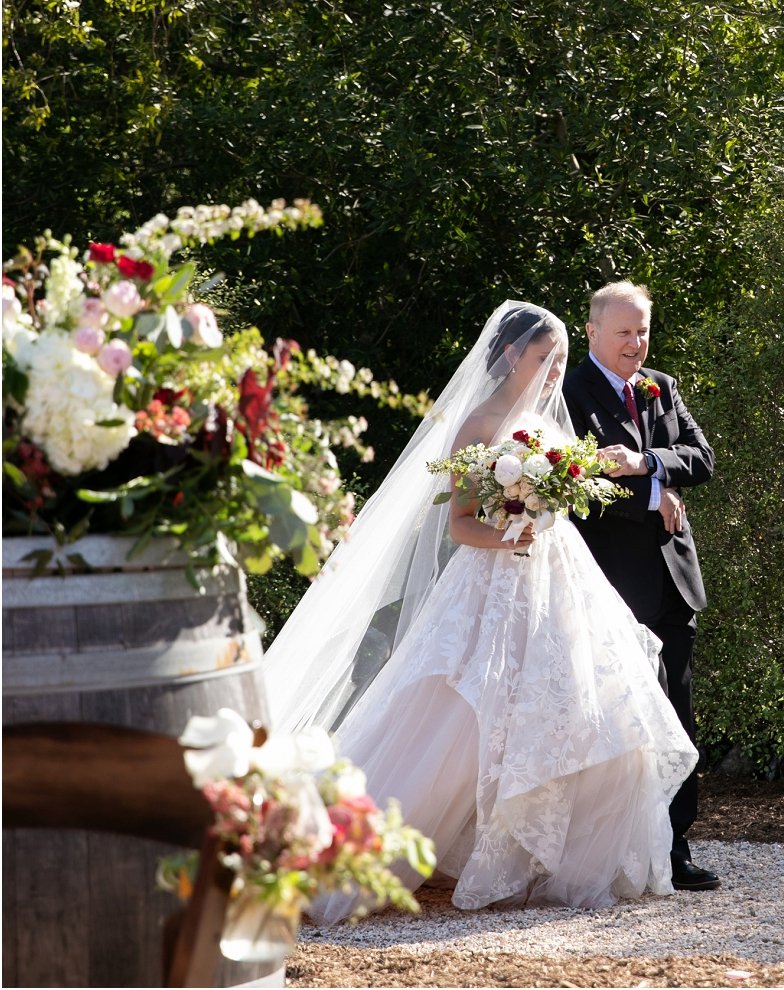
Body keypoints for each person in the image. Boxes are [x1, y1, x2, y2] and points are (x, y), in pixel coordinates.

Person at [263, 301, 698, 915]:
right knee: (462, 715)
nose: (554, 372)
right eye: (546, 359)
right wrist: (510, 534)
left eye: (560, 361)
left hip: (559, 577)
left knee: (577, 707)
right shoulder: (477, 425)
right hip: (491, 581)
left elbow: (576, 495)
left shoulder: (554, 426)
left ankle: (556, 859)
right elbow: (460, 526)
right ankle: (356, 846)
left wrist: (622, 494)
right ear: (514, 354)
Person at [563, 281, 719, 892]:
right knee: (617, 715)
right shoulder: (568, 394)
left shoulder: (661, 385)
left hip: (673, 578)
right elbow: (572, 487)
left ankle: (675, 848)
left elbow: (702, 457)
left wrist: (651, 465)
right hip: (610, 580)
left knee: (677, 712)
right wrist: (656, 495)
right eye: (624, 331)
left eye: (643, 330)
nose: (636, 342)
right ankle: (614, 848)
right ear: (594, 332)